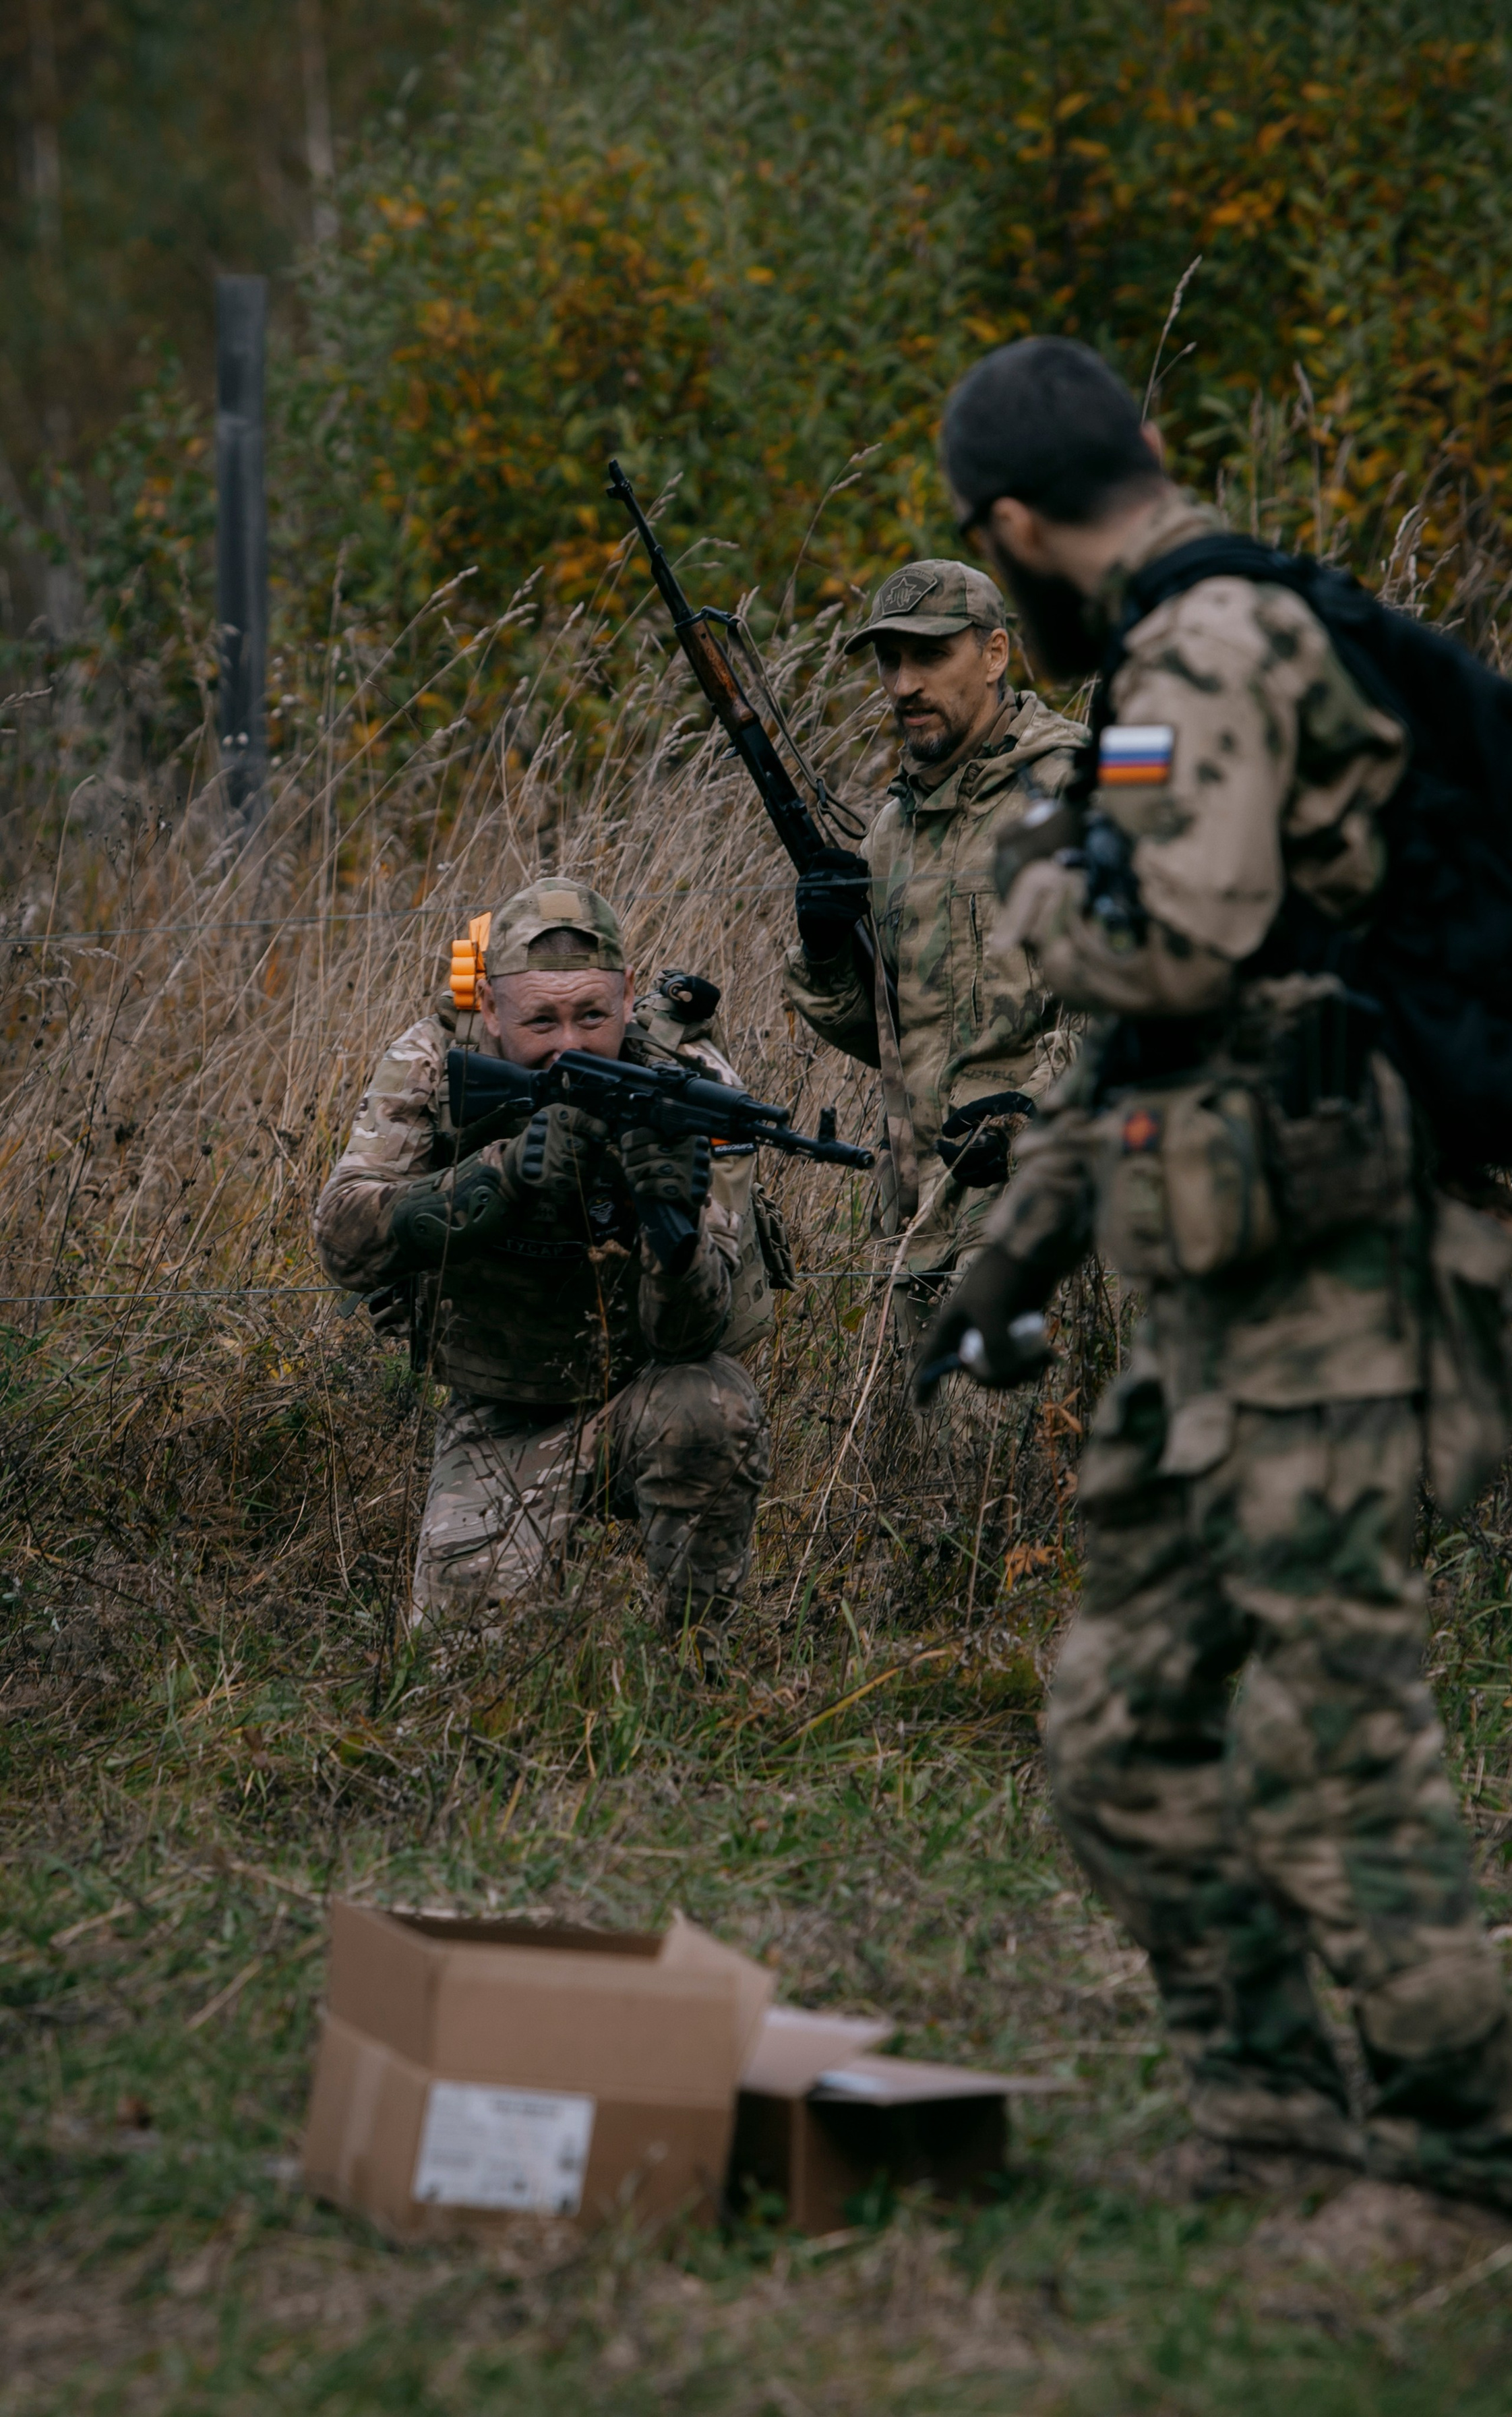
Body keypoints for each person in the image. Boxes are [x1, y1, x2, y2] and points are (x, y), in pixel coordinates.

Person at [917, 336, 1512, 2210]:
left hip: (1328, 1287)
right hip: (1211, 1287)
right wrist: (1015, 1239)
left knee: (1336, 1746)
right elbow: (1156, 1052)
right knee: (1117, 1733)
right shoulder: (1173, 654)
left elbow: (1169, 956)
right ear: (1156, 445)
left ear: (1012, 530)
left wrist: (1034, 865)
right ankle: (1272, 2128)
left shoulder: (1204, 651)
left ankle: (1461, 2171)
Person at [314, 876, 779, 1676]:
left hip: (643, 1392)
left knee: (715, 1406)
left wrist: (670, 1228)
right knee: (464, 1682)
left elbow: (695, 1335)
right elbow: (343, 1239)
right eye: (541, 1020)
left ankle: (696, 1667)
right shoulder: (434, 1060)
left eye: (592, 1015)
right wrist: (497, 1178)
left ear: (630, 996)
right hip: (502, 1408)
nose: (568, 1043)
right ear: (491, 1010)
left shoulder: (690, 1087)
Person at [783, 560, 1085, 1348]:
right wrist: (825, 953)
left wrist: (1029, 1114)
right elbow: (894, 1035)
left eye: (929, 656)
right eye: (889, 661)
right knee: (928, 1468)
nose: (902, 684)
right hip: (917, 1219)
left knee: (1022, 1453)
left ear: (993, 655)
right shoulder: (893, 830)